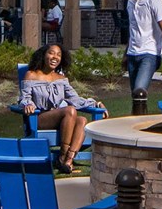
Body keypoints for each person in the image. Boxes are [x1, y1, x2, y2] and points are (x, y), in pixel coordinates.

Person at [19, 44, 106, 174]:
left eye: (59, 55)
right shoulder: (31, 75)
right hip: (40, 118)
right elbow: (24, 98)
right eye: (52, 53)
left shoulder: (61, 79)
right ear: (44, 55)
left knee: (82, 120)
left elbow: (75, 100)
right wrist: (28, 104)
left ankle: (68, 160)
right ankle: (63, 154)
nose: (55, 57)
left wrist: (97, 103)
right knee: (70, 111)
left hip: (61, 119)